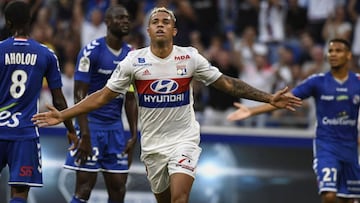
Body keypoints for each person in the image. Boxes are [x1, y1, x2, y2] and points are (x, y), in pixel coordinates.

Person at [32, 7, 301, 203]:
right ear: (148, 30)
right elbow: (102, 95)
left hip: (184, 139)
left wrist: (269, 98)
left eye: (165, 21)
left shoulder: (190, 58)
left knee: (179, 198)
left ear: (174, 30)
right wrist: (63, 115)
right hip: (152, 146)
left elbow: (227, 83)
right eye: (155, 21)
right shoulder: (133, 62)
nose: (160, 24)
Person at [227, 38, 360, 203]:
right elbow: (285, 100)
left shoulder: (357, 82)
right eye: (331, 51)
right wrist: (252, 110)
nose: (333, 54)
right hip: (327, 146)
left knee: (349, 199)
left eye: (338, 50)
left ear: (348, 56)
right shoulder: (317, 81)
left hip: (351, 149)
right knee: (329, 195)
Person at [0, 1, 81, 203]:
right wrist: (70, 129)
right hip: (26, 133)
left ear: (8, 23)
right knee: (20, 192)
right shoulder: (45, 54)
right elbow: (59, 100)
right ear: (30, 21)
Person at [63, 5, 138, 203]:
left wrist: (133, 134)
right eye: (119, 18)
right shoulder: (91, 52)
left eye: (127, 18)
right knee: (84, 188)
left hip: (115, 129)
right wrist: (85, 133)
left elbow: (130, 96)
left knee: (118, 190)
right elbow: (79, 96)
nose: (125, 21)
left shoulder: (132, 55)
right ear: (107, 22)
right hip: (91, 127)